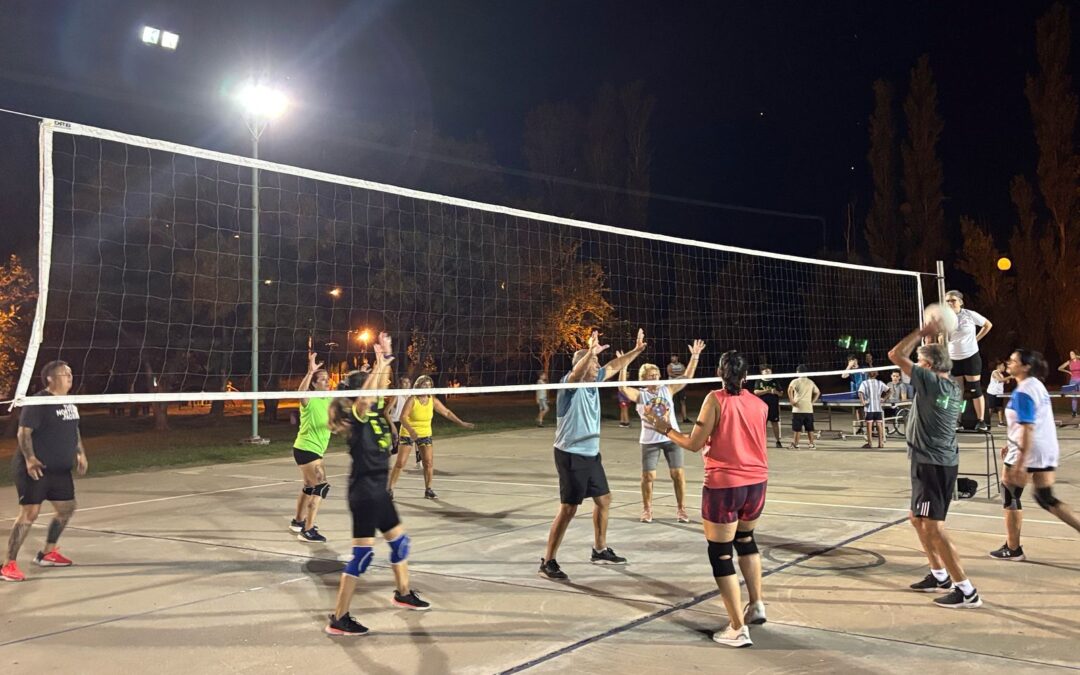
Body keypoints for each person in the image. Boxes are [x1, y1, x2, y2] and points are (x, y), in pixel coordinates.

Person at [644, 350, 768, 648]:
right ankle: (756, 605)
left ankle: (737, 628)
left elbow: (693, 443)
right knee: (746, 541)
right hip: (757, 483)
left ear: (719, 373)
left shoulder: (715, 399)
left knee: (721, 553)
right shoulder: (759, 404)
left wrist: (665, 428)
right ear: (746, 376)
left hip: (725, 485)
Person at [325, 333, 430, 636]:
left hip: (379, 491)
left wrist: (385, 361)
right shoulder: (358, 416)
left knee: (400, 544)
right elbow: (367, 396)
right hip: (365, 494)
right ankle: (339, 617)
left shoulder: (373, 414)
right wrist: (378, 364)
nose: (378, 391)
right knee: (362, 556)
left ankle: (403, 593)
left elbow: (378, 388)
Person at [539, 329, 646, 582]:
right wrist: (589, 353)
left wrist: (636, 351)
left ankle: (599, 549)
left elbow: (614, 365)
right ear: (583, 364)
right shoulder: (569, 385)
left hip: (591, 453)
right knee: (569, 509)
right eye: (593, 362)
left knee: (604, 500)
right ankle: (548, 560)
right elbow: (577, 373)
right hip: (570, 454)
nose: (598, 365)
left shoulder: (594, 379)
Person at [888, 320, 982, 608]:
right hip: (936, 462)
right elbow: (932, 360)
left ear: (927, 366)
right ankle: (939, 574)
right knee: (917, 518)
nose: (915, 366)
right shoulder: (950, 384)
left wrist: (921, 333)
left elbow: (895, 355)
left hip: (932, 465)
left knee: (934, 527)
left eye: (919, 362)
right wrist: (934, 342)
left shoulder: (931, 382)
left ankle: (966, 591)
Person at [2, 361, 88, 583]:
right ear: (51, 378)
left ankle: (47, 553)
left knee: (67, 508)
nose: (70, 376)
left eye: (70, 372)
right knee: (29, 513)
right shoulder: (39, 401)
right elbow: (23, 433)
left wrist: (80, 453)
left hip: (59, 470)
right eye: (65, 373)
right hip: (35, 468)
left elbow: (74, 429)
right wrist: (30, 459)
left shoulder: (69, 402)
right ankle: (8, 565)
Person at [991, 350, 1080, 561]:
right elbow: (1031, 421)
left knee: (1010, 494)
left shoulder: (1023, 391)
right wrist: (1010, 442)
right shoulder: (1036, 386)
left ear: (1026, 366)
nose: (1009, 363)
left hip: (1028, 449)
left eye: (1013, 361)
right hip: (1045, 449)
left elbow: (1027, 427)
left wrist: (1021, 461)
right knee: (1045, 497)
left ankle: (1013, 548)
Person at [618, 340, 704, 524]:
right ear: (643, 379)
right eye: (651, 376)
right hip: (650, 440)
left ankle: (681, 509)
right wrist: (623, 365)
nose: (655, 378)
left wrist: (695, 356)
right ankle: (647, 509)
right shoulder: (641, 395)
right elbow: (622, 388)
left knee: (677, 474)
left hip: (672, 437)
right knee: (648, 476)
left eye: (657, 374)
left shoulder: (667, 389)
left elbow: (687, 376)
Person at [391, 375, 474, 500]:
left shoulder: (432, 400)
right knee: (400, 463)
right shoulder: (412, 400)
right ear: (418, 386)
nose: (427, 387)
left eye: (429, 385)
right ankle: (390, 489)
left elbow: (446, 412)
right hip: (409, 432)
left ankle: (428, 490)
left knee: (428, 462)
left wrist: (461, 423)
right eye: (424, 385)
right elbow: (403, 417)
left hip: (425, 433)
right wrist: (411, 431)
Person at [290, 352, 332, 543]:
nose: (326, 381)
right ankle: (308, 530)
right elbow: (301, 393)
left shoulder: (329, 399)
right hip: (307, 449)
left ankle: (298, 522)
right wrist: (310, 372)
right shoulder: (310, 398)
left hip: (312, 449)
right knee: (321, 487)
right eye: (322, 379)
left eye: (327, 379)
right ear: (314, 384)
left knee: (309, 486)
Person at [944, 290, 992, 432]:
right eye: (947, 301)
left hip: (970, 356)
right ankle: (957, 420)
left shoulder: (969, 315)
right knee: (957, 392)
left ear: (960, 302)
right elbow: (940, 338)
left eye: (953, 300)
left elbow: (988, 325)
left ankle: (981, 421)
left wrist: (976, 339)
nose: (950, 303)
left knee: (974, 389)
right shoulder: (944, 318)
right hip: (953, 358)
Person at [787, 365, 820, 450]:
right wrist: (812, 402)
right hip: (808, 409)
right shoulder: (810, 382)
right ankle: (811, 444)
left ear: (797, 372)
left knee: (797, 429)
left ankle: (796, 444)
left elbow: (790, 390)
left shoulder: (795, 381)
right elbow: (818, 392)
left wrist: (791, 400)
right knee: (810, 428)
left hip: (798, 408)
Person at [857, 370, 889, 449]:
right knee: (879, 425)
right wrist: (884, 399)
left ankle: (870, 443)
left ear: (868, 374)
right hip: (878, 408)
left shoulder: (864, 383)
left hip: (869, 408)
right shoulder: (880, 383)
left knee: (869, 425)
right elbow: (890, 390)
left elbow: (860, 392)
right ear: (877, 374)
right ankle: (880, 443)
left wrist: (863, 402)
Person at [753, 366, 783, 449]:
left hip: (773, 407)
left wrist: (775, 392)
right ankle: (761, 442)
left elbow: (781, 393)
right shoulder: (759, 381)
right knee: (762, 425)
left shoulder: (775, 381)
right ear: (762, 373)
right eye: (766, 371)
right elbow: (756, 392)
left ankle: (778, 441)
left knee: (775, 423)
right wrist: (767, 391)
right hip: (762, 408)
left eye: (769, 371)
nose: (767, 373)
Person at [841, 354, 866, 432]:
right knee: (858, 411)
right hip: (855, 393)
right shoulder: (850, 371)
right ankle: (861, 427)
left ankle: (868, 426)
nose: (851, 362)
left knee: (865, 410)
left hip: (865, 393)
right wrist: (849, 366)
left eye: (852, 360)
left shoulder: (863, 368)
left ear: (856, 360)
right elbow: (843, 376)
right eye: (849, 361)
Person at [1056, 350, 1080, 418]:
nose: (1070, 355)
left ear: (1075, 354)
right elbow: (1059, 368)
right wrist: (1068, 372)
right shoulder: (1069, 362)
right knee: (1074, 396)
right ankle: (1074, 412)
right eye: (1070, 354)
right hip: (1073, 381)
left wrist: (1078, 357)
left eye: (1072, 354)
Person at [986, 360, 1011, 427]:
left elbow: (1002, 381)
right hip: (992, 393)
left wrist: (1006, 381)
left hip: (999, 394)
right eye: (1003, 366)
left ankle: (1001, 422)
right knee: (991, 408)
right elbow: (1000, 380)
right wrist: (1010, 377)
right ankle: (986, 422)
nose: (1004, 367)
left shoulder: (1001, 374)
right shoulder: (995, 372)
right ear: (999, 366)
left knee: (1000, 407)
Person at [668, 353, 690, 423]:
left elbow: (685, 373)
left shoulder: (681, 365)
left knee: (682, 402)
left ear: (677, 357)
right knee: (669, 402)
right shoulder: (670, 365)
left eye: (673, 357)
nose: (672, 358)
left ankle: (685, 418)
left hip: (680, 385)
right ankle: (668, 419)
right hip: (672, 386)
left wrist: (677, 375)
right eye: (671, 357)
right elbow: (670, 374)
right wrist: (680, 375)